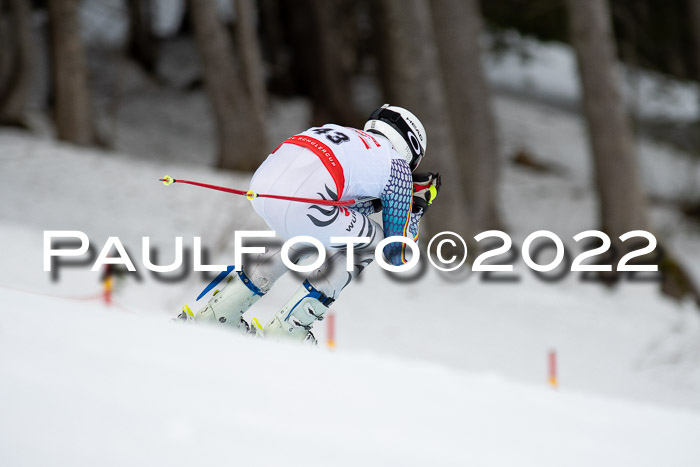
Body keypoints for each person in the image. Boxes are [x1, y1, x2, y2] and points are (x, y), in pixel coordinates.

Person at [176, 104, 441, 343]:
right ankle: (289, 329)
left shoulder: (341, 133)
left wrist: (382, 203)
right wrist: (418, 205)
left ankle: (219, 312)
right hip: (308, 202)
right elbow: (397, 252)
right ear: (411, 149)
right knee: (372, 242)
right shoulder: (397, 166)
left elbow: (341, 204)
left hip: (263, 190)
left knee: (300, 228)